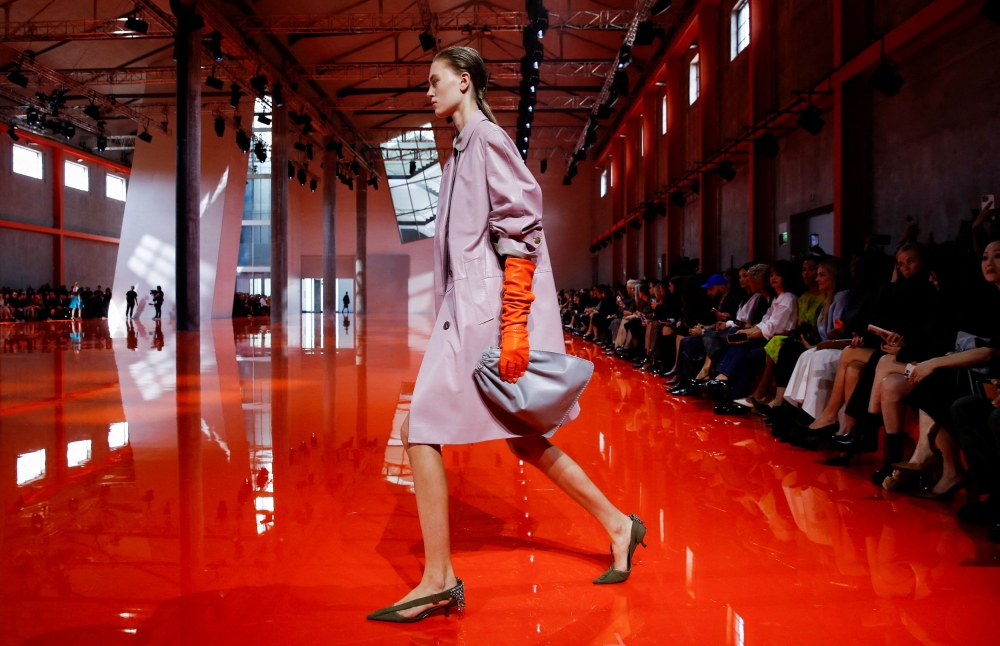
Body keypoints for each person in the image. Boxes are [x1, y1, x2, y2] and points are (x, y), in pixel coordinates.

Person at [367, 46, 645, 625]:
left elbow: (523, 228)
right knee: (520, 439)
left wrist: (515, 324)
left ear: (464, 82)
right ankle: (620, 524)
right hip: (464, 309)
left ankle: (440, 580)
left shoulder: (489, 141)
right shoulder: (456, 157)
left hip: (485, 313)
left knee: (421, 427)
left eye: (435, 81)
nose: (428, 91)